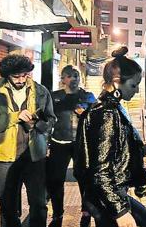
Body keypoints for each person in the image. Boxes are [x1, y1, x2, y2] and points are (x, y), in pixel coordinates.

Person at [75, 47, 146, 227]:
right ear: (116, 81)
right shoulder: (107, 113)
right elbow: (100, 169)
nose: (137, 91)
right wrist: (119, 211)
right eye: (133, 85)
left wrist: (139, 149)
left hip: (107, 197)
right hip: (109, 200)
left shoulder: (109, 108)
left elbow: (113, 149)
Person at [0, 54, 56, 227]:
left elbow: (51, 120)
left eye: (25, 75)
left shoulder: (41, 92)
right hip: (4, 157)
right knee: (8, 205)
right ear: (7, 75)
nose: (22, 80)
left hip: (34, 155)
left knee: (38, 203)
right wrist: (14, 117)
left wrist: (38, 124)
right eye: (17, 76)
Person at [47, 65, 96, 227]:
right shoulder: (54, 97)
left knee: (84, 177)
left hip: (81, 143)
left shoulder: (88, 97)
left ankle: (86, 210)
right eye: (69, 76)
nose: (73, 78)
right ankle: (57, 212)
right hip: (59, 143)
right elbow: (47, 118)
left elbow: (97, 118)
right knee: (55, 179)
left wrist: (86, 114)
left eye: (76, 75)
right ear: (63, 79)